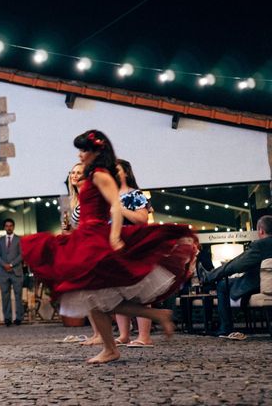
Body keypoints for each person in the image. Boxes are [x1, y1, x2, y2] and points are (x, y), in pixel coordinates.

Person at [22, 130, 196, 364]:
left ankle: (114, 346)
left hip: (95, 238)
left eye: (84, 150)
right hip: (86, 236)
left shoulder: (101, 175)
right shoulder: (93, 175)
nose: (80, 155)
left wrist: (114, 236)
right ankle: (145, 321)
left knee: (91, 294)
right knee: (94, 296)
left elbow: (115, 206)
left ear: (96, 152)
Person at [199, 215, 272, 337]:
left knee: (222, 285)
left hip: (258, 285)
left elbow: (237, 266)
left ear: (261, 231)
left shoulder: (261, 245)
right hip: (264, 284)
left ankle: (226, 328)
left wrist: (213, 275)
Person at [113, 159, 153, 348]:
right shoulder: (107, 196)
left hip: (134, 246)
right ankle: (123, 334)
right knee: (119, 292)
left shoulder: (135, 194)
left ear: (126, 173)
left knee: (140, 292)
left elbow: (142, 218)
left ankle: (144, 336)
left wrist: (121, 209)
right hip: (115, 247)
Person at [0, 218, 23, 326]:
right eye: (7, 226)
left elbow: (21, 255)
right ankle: (7, 318)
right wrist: (5, 265)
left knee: (18, 296)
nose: (9, 227)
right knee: (5, 296)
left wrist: (11, 265)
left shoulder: (19, 239)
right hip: (3, 272)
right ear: (4, 227)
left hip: (16, 272)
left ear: (13, 227)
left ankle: (19, 318)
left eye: (11, 225)